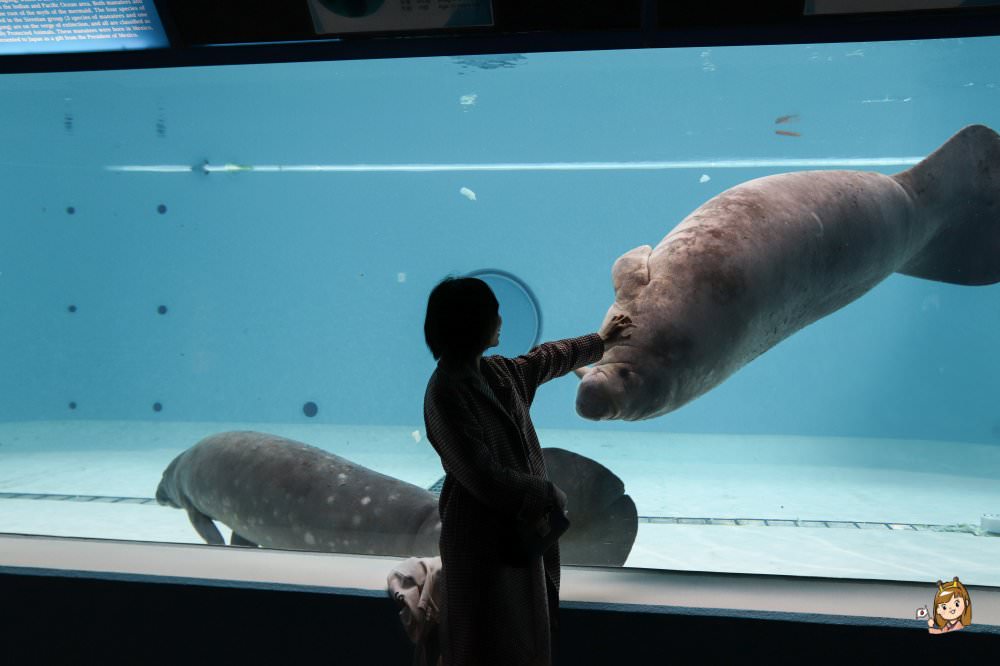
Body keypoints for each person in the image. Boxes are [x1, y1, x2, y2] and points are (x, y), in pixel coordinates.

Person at [422, 276, 634, 666]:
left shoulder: (498, 373)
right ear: (472, 324)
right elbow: (482, 476)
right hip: (479, 540)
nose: (500, 320)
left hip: (521, 532)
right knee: (482, 639)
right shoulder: (445, 394)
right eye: (493, 312)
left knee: (524, 632)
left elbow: (546, 358)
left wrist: (601, 340)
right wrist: (547, 494)